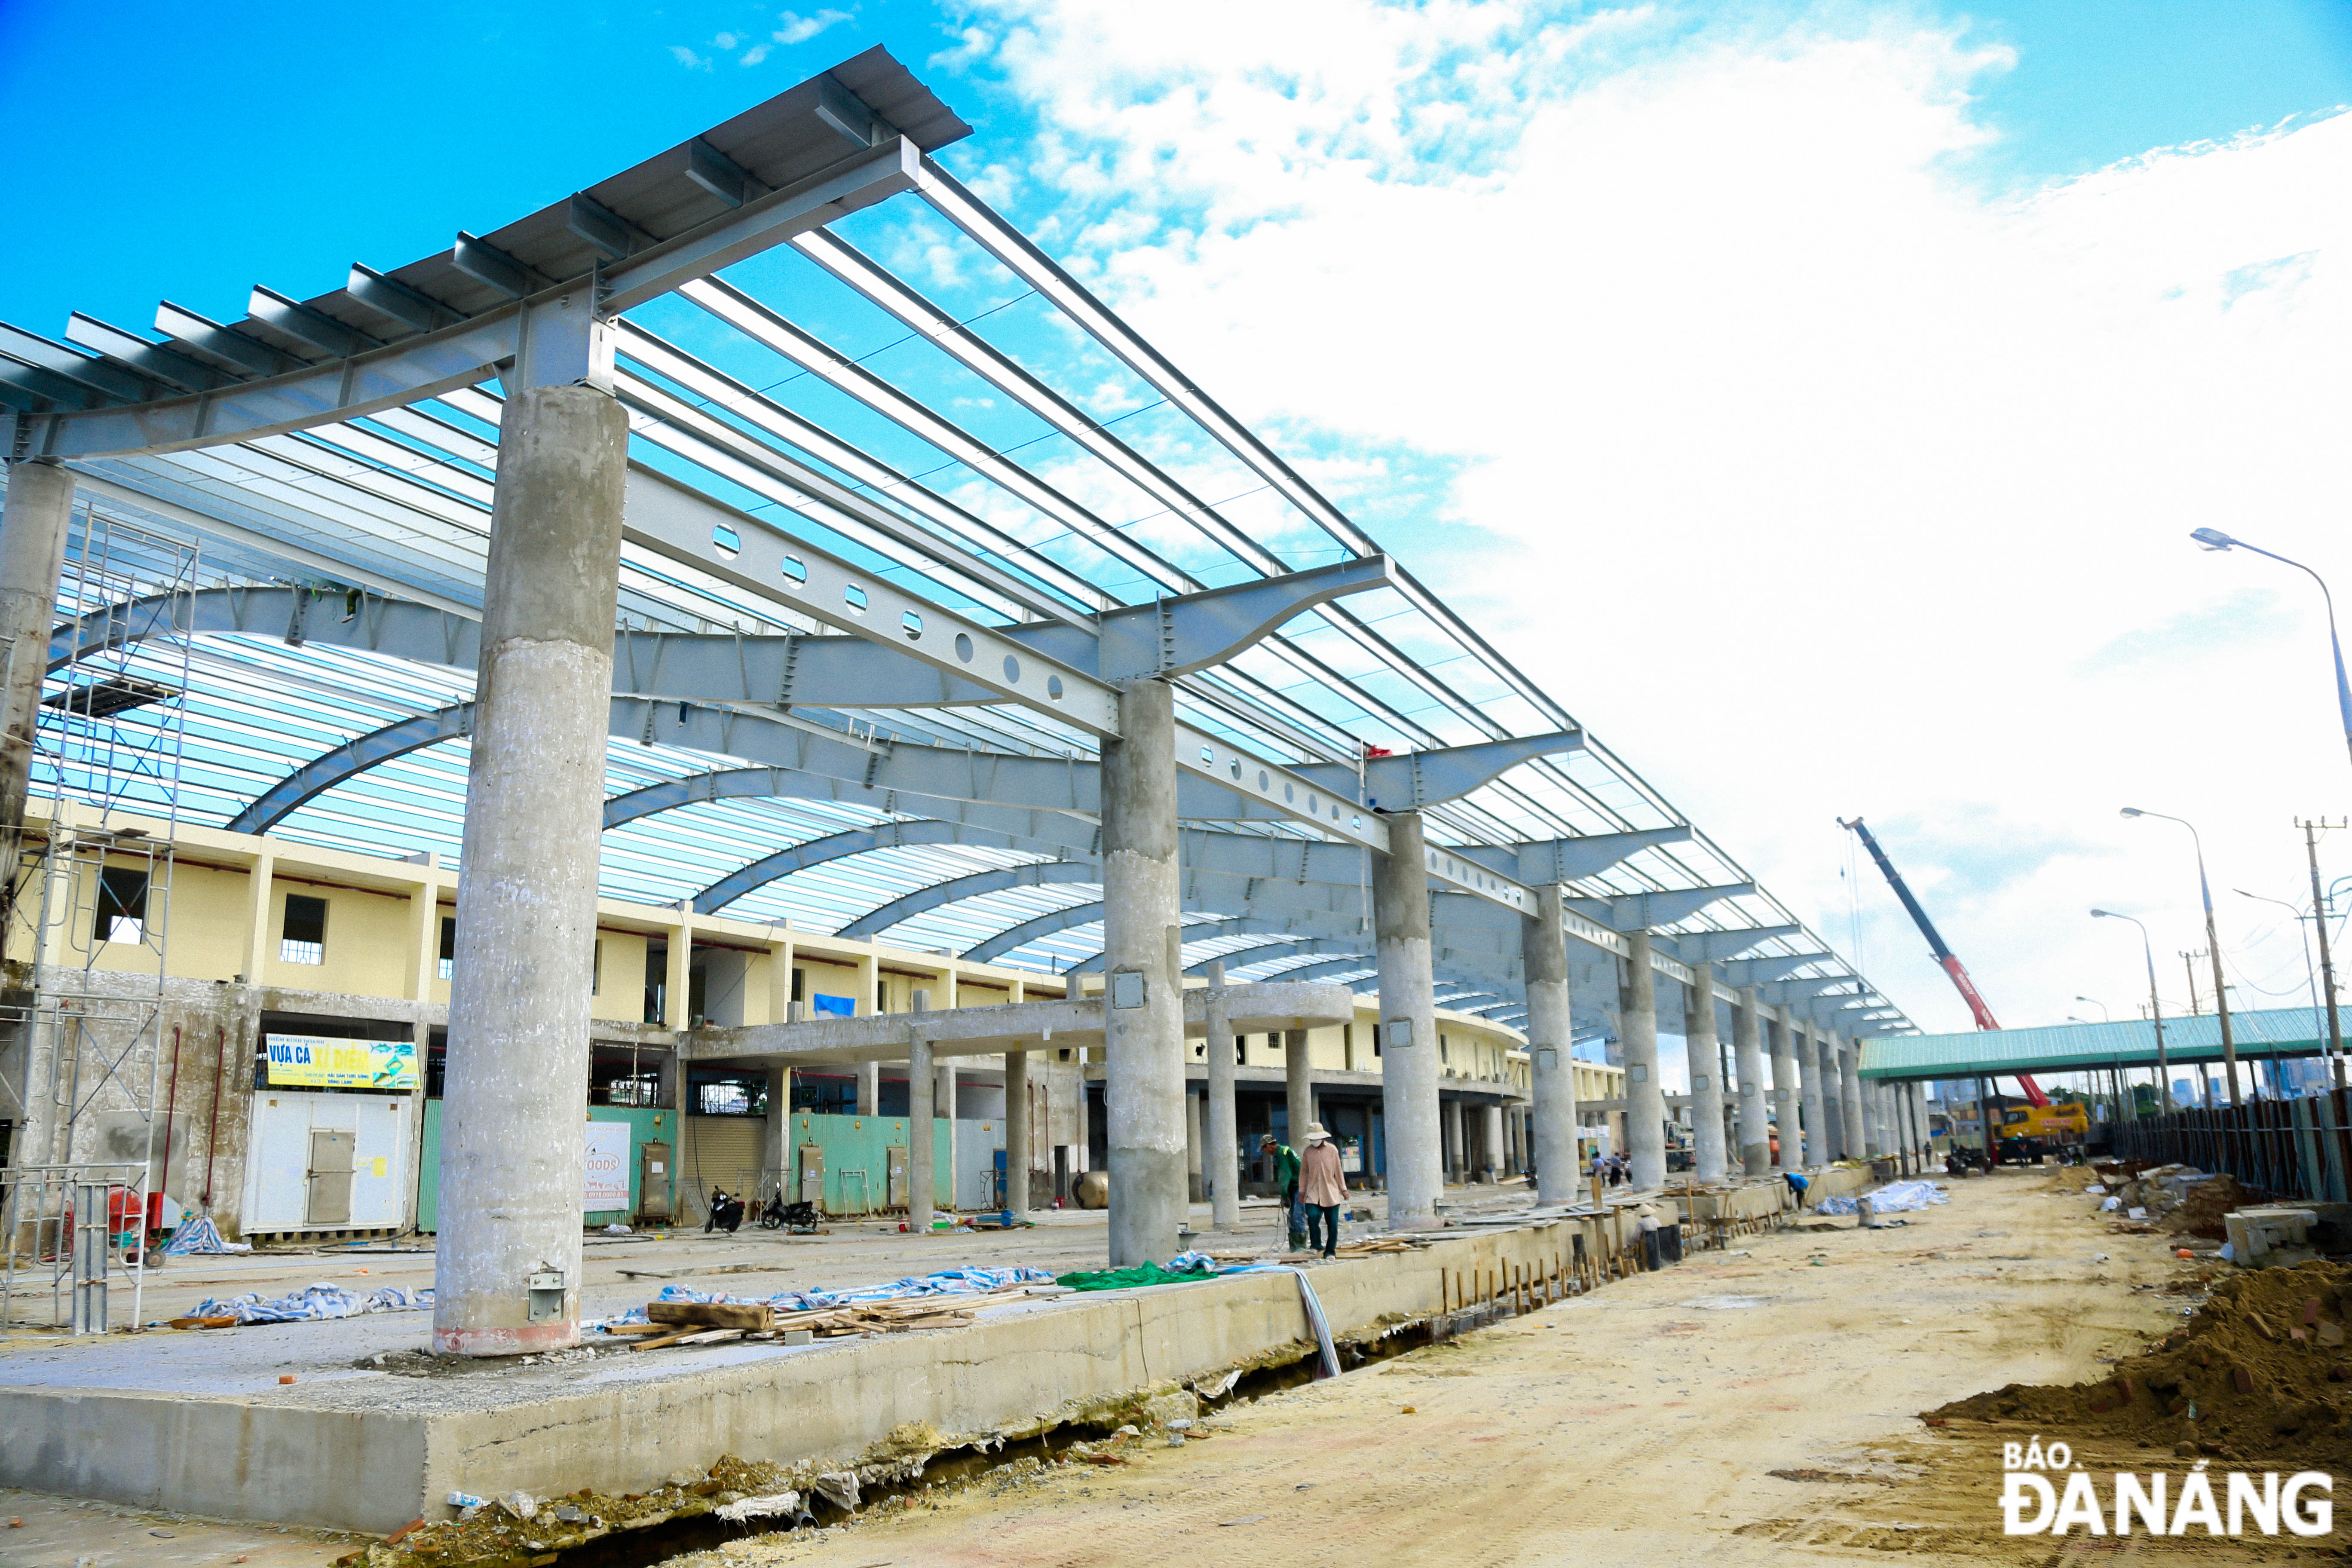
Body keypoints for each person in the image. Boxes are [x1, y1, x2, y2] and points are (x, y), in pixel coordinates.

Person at [1297, 1122, 1346, 1258]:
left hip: (1331, 1192)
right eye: (1311, 1139)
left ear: (1322, 1138)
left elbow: (1338, 1170)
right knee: (1312, 1218)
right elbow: (1304, 1173)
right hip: (1313, 1193)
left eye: (1316, 1138)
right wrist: (1302, 1191)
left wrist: (1344, 1189)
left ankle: (1330, 1252)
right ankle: (1316, 1245)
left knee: (1333, 1225)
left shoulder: (1332, 1150)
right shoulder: (1308, 1152)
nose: (1314, 1141)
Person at [1261, 1132, 1302, 1250]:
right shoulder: (1284, 1151)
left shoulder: (1283, 1153)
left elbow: (1285, 1175)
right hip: (1295, 1187)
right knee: (1292, 1217)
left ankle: (1300, 1247)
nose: (1266, 1152)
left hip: (1300, 1187)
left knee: (1297, 1216)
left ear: (1268, 1146)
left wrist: (1285, 1195)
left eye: (1264, 1149)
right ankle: (1295, 1247)